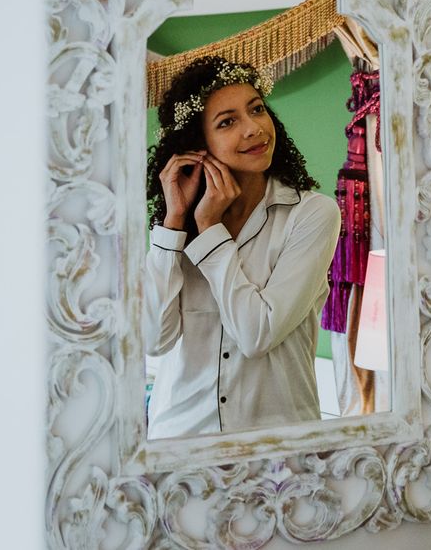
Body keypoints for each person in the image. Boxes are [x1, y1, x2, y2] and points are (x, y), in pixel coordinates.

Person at [144, 56, 341, 438]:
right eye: (227, 122)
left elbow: (257, 334)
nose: (254, 129)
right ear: (198, 145)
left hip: (278, 449)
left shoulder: (312, 215)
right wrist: (173, 224)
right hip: (180, 443)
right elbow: (154, 339)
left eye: (257, 109)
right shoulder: (175, 230)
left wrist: (210, 231)